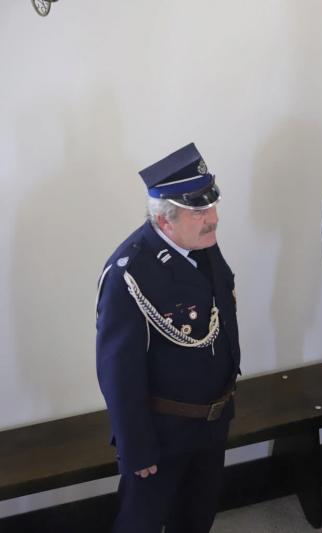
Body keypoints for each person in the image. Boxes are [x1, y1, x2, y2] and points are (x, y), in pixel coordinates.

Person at [96, 143, 241, 533]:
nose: (213, 218)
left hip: (211, 421)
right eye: (199, 212)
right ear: (164, 219)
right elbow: (118, 373)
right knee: (141, 523)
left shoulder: (202, 245)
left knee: (197, 518)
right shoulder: (130, 273)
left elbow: (219, 316)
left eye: (212, 206)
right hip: (162, 433)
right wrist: (135, 448)